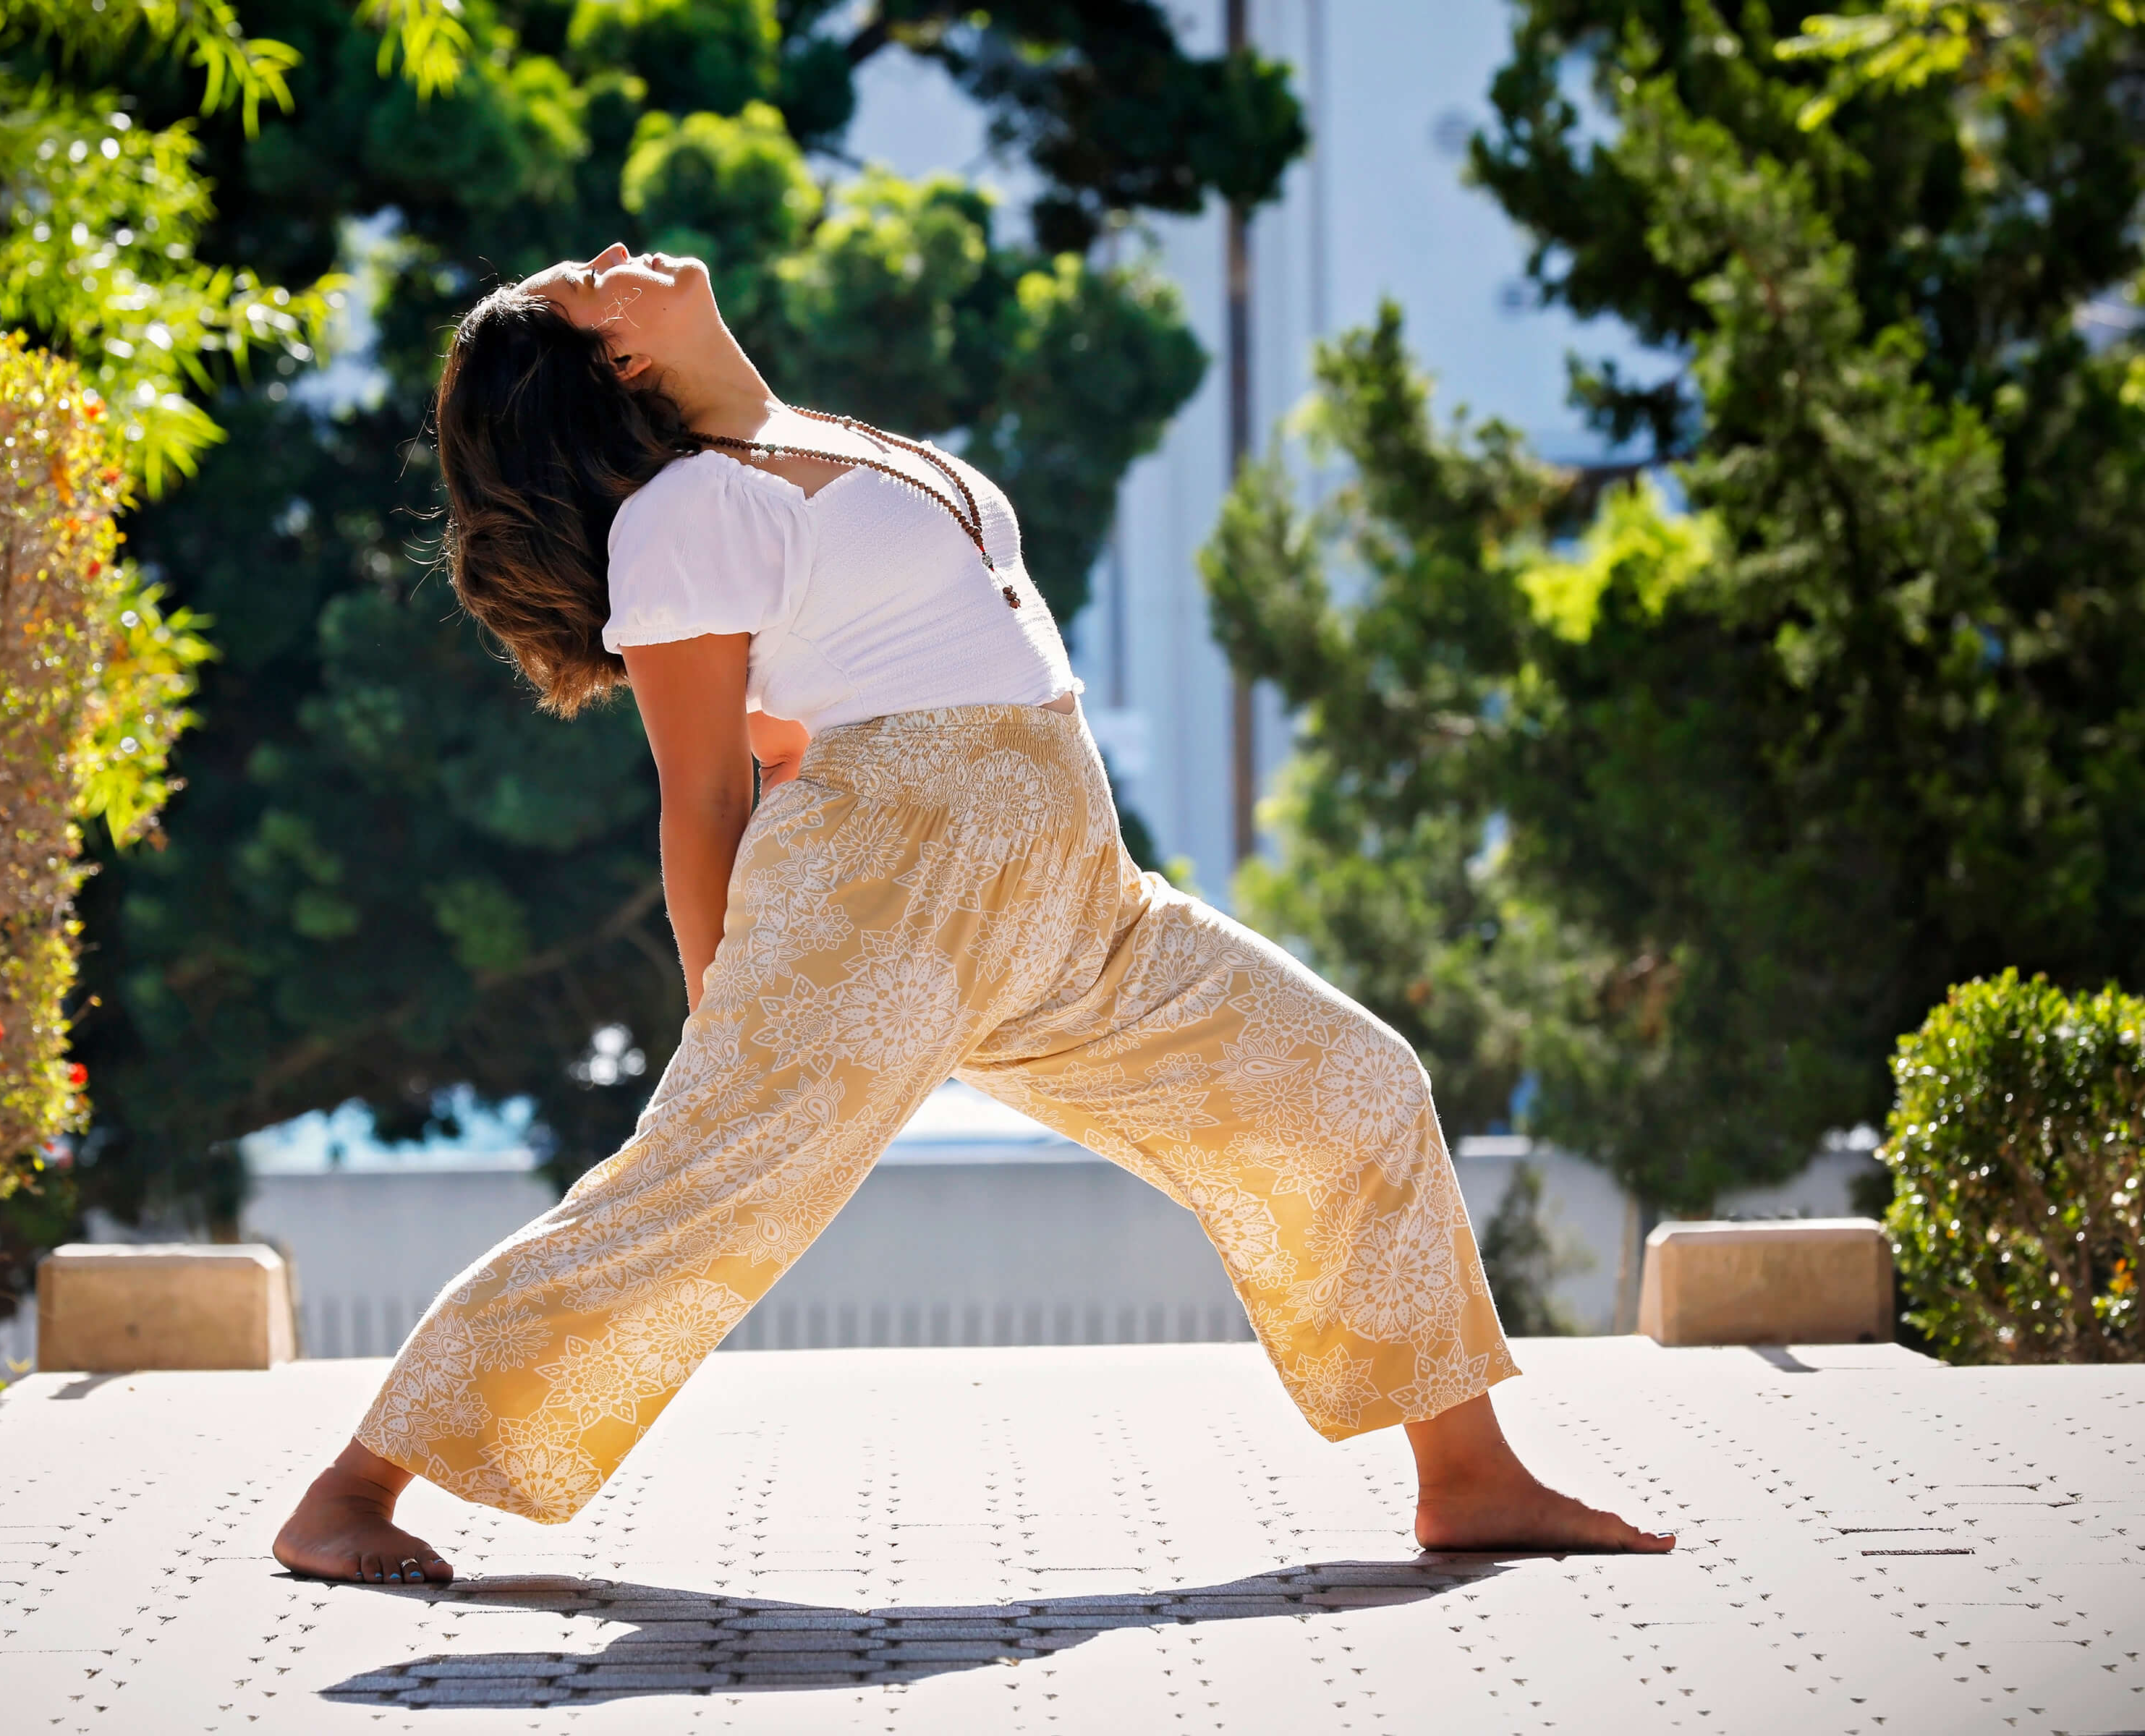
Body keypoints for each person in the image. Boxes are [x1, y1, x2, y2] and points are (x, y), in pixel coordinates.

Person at [273, 245, 1675, 1586]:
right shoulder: (686, 513)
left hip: (1077, 895)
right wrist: (726, 1009)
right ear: (622, 355)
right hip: (887, 909)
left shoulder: (812, 442)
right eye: (594, 280)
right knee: (688, 1205)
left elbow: (798, 713)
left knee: (1351, 1085)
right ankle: (353, 1492)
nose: (626, 254)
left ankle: (1469, 1475)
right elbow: (701, 794)